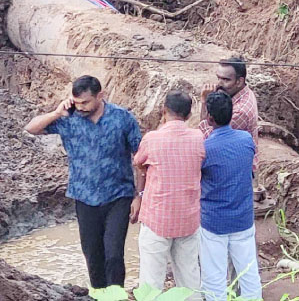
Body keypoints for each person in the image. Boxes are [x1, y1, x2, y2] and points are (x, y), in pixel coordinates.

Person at [24, 75, 141, 290]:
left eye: (86, 102)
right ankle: (98, 294)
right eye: (76, 102)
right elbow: (31, 128)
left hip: (119, 195)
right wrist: (57, 113)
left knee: (114, 254)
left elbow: (140, 157)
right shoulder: (68, 118)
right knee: (92, 254)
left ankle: (116, 295)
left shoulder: (123, 118)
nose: (81, 107)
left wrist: (139, 196)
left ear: (100, 96)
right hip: (84, 196)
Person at [131, 90, 204, 300]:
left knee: (151, 282)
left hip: (157, 219)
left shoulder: (152, 139)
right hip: (188, 220)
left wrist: (141, 192)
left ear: (163, 111)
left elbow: (138, 163)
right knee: (189, 277)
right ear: (189, 115)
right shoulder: (198, 138)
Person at [199, 91, 262, 301]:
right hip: (243, 219)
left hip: (213, 221)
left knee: (214, 277)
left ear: (209, 117)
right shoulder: (246, 140)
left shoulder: (205, 148)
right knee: (249, 272)